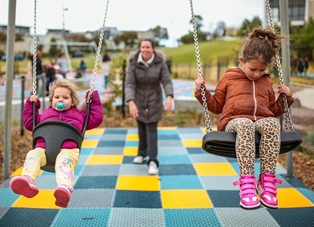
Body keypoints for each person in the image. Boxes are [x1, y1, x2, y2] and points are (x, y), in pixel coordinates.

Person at [194, 27, 294, 209]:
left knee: (272, 123)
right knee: (245, 124)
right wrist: (202, 92)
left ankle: (267, 182)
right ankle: (247, 183)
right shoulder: (230, 77)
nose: (257, 74)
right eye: (253, 69)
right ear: (242, 61)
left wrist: (285, 99)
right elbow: (216, 106)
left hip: (262, 121)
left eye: (262, 70)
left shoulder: (266, 81)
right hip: (235, 122)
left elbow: (272, 110)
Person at [10, 79, 103, 208]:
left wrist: (95, 101)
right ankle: (27, 180)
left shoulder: (80, 114)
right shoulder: (45, 114)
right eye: (57, 97)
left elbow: (96, 118)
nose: (60, 100)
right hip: (44, 149)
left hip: (68, 150)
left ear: (72, 101)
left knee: (64, 163)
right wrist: (31, 105)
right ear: (51, 100)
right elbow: (29, 122)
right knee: (33, 155)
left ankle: (64, 188)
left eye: (65, 97)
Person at [125, 39, 174, 175]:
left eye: (148, 47)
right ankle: (142, 152)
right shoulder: (134, 63)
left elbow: (166, 81)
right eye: (143, 47)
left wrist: (169, 96)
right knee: (141, 126)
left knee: (151, 128)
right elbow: (129, 84)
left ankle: (152, 160)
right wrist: (131, 102)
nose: (145, 49)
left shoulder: (160, 62)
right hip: (139, 98)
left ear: (153, 49)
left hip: (154, 98)